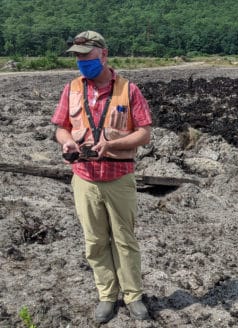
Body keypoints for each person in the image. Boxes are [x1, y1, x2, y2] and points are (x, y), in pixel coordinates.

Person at [51, 31, 152, 323]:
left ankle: (133, 296)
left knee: (125, 240)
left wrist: (113, 144)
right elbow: (60, 127)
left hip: (119, 177)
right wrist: (66, 141)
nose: (82, 61)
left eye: (86, 56)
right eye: (78, 57)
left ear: (103, 55)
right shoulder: (71, 89)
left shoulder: (128, 90)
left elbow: (144, 133)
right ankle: (107, 295)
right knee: (94, 241)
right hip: (84, 178)